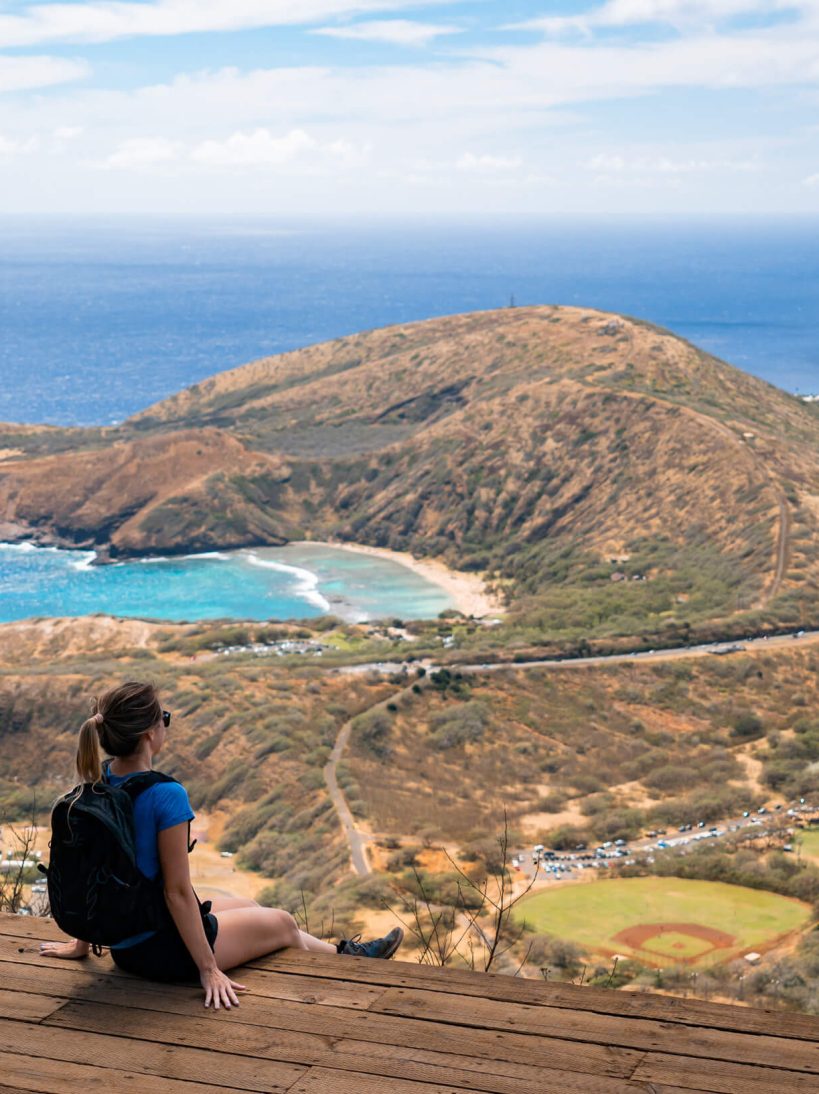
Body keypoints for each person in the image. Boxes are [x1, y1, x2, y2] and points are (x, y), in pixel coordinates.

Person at [39, 681, 402, 1008]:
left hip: (125, 944)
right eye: (164, 718)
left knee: (250, 905)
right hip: (164, 952)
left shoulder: (99, 780)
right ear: (150, 733)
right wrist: (208, 969)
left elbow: (94, 870)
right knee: (284, 923)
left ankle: (347, 952)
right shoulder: (165, 794)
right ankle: (353, 960)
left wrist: (81, 942)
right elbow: (177, 893)